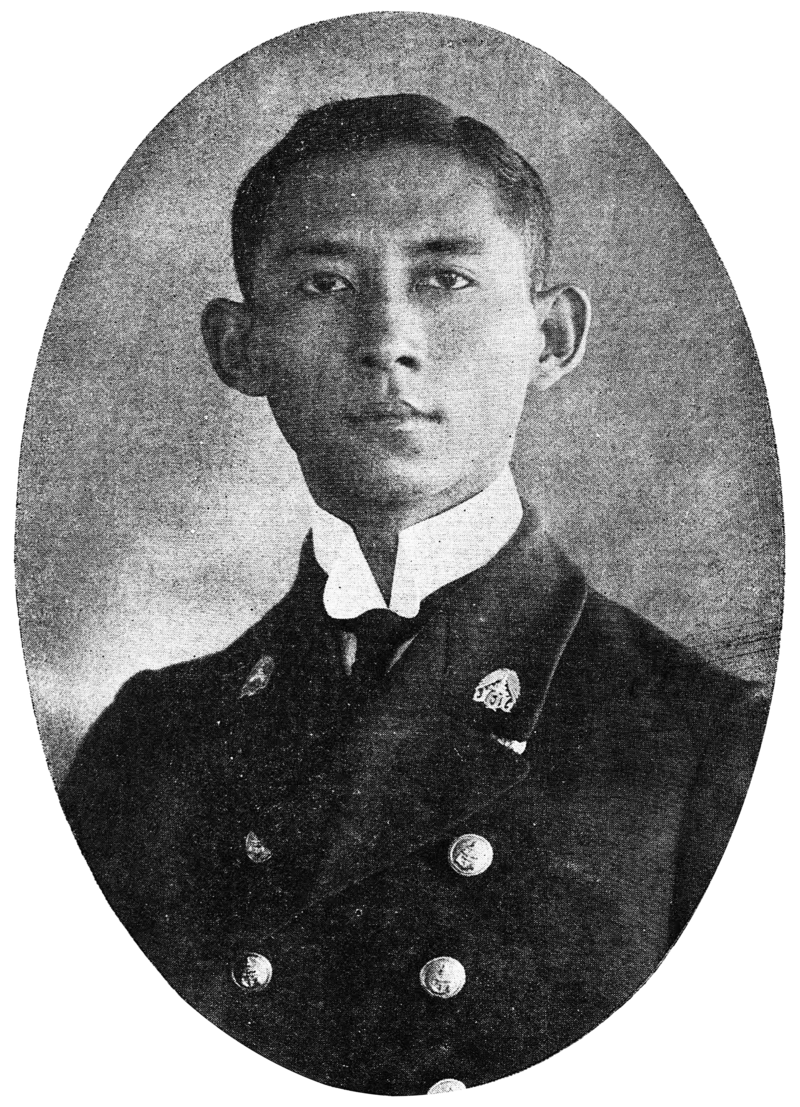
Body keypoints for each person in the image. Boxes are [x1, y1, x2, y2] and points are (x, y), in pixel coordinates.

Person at [60, 94, 767, 1096]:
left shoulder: (702, 743)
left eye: (444, 279)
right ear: (239, 346)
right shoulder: (150, 744)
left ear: (550, 336)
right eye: (324, 283)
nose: (387, 337)